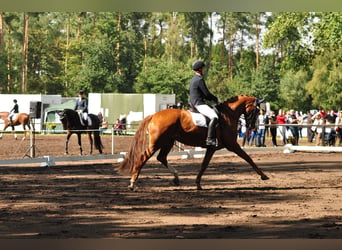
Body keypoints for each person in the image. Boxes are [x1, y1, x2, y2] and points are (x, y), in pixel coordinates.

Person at [189, 60, 219, 146]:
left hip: (193, 102)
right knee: (214, 116)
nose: (204, 70)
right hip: (199, 103)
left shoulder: (193, 79)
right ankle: (209, 139)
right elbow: (206, 94)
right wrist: (216, 99)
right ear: (200, 69)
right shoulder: (199, 79)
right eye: (203, 68)